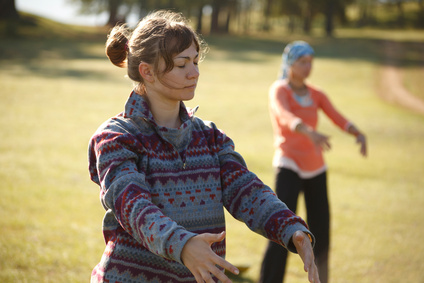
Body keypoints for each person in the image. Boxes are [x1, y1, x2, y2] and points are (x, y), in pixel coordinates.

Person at [87, 11, 320, 283]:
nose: (194, 72)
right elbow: (133, 208)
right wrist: (183, 245)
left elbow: (246, 190)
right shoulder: (116, 138)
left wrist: (290, 228)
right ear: (147, 71)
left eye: (196, 61)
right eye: (181, 64)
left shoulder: (210, 137)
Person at [259, 41, 367, 283]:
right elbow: (285, 116)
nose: (308, 67)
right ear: (290, 64)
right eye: (303, 62)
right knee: (281, 227)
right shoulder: (280, 90)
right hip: (288, 164)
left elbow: (336, 116)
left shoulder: (316, 93)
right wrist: (308, 131)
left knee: (321, 231)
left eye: (311, 62)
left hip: (315, 167)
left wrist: (356, 132)